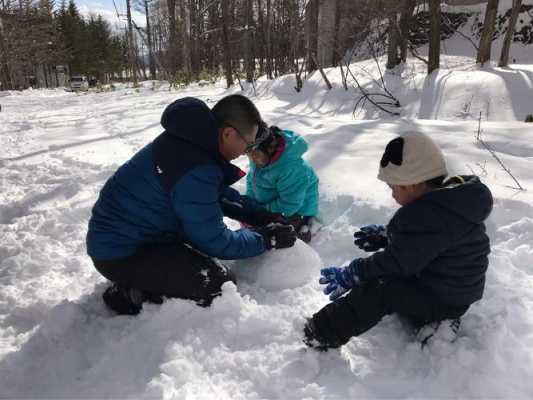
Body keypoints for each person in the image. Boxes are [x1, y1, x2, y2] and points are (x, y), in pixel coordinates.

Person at [87, 95, 297, 315]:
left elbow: (216, 195)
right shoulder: (196, 166)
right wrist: (266, 238)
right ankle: (130, 294)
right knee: (219, 284)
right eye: (248, 144)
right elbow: (216, 241)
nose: (247, 152)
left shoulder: (192, 143)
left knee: (202, 263)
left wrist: (261, 216)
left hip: (138, 235)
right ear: (228, 133)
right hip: (121, 252)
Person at [303, 132, 493, 350]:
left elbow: (398, 262)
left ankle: (322, 331)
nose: (392, 194)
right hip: (451, 288)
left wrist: (353, 273)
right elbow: (430, 241)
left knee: (382, 287)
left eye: (394, 187)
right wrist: (388, 236)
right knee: (389, 277)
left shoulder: (429, 215)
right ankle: (433, 317)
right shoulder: (448, 202)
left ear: (412, 184)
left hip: (443, 299)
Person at [245, 123, 319, 242]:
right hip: (270, 205)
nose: (253, 160)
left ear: (270, 148)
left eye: (255, 155)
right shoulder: (260, 159)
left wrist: (262, 211)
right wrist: (250, 204)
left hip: (296, 210)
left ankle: (305, 229)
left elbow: (290, 205)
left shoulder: (291, 169)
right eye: (249, 155)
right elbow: (251, 181)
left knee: (284, 236)